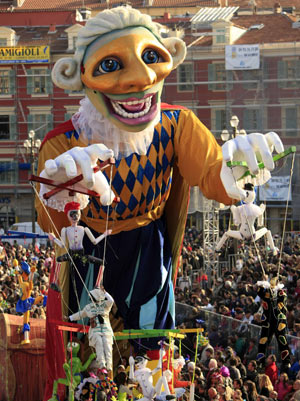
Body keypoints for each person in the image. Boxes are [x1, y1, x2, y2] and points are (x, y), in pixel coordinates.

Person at [37, 5, 283, 337]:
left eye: (151, 58)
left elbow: (212, 176)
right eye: (110, 65)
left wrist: (235, 172)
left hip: (148, 245)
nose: (141, 78)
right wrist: (59, 197)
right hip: (91, 248)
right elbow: (48, 222)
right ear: (78, 76)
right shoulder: (61, 144)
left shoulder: (177, 124)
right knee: (83, 335)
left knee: (151, 335)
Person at [69, 285, 114, 373]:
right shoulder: (88, 307)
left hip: (106, 329)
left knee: (107, 344)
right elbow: (80, 314)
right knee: (99, 343)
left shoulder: (105, 304)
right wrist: (70, 318)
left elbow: (111, 301)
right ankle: (102, 364)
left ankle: (109, 365)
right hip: (95, 330)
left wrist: (105, 292)